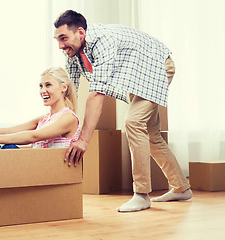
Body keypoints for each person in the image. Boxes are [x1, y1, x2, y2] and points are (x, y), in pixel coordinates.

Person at [53, 10, 192, 212]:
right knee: (151, 135)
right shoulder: (73, 53)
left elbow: (96, 94)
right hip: (137, 74)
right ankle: (181, 187)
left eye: (63, 38)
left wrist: (83, 140)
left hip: (158, 65)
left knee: (133, 122)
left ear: (80, 33)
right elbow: (71, 92)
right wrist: (59, 121)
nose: (60, 45)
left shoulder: (103, 41)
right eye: (57, 39)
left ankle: (141, 194)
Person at [0, 67, 81, 150]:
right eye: (40, 86)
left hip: (48, 168)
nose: (43, 91)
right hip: (37, 164)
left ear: (63, 87)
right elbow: (9, 130)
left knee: (8, 147)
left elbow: (34, 136)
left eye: (48, 85)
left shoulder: (68, 118)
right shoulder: (44, 118)